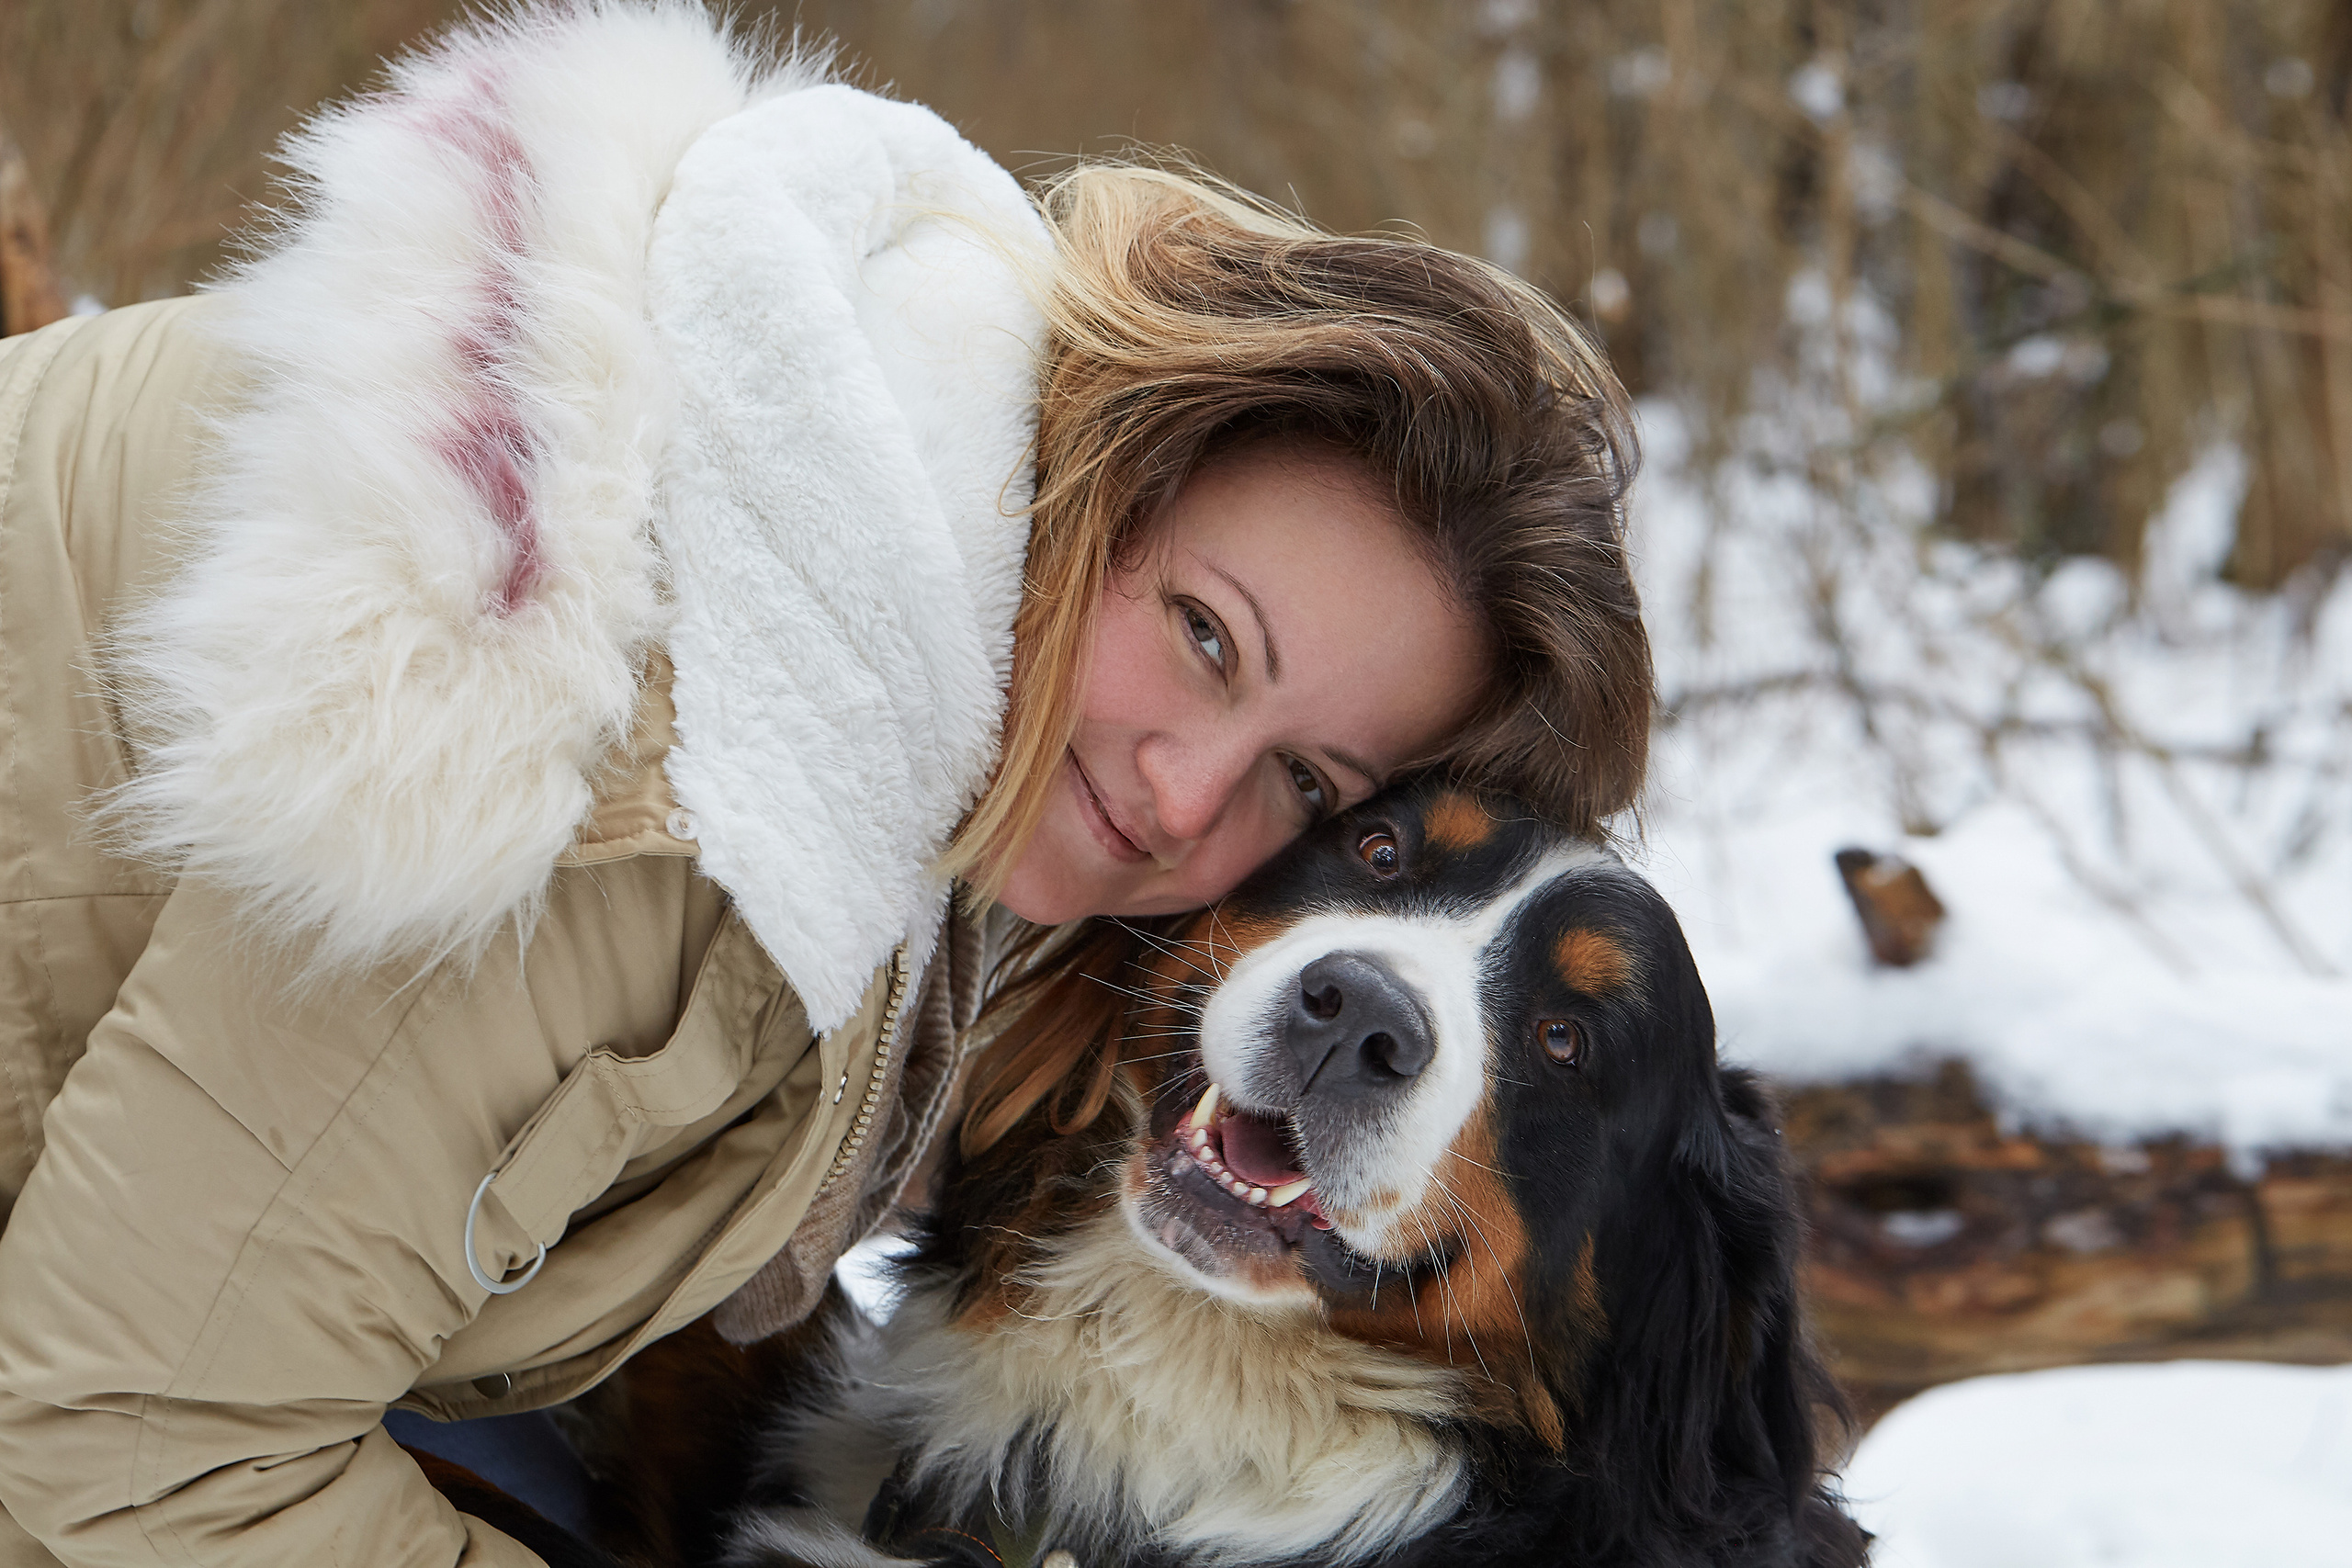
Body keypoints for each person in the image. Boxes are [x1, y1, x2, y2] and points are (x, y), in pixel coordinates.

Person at [0, 5, 1652, 1566]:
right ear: (1115, 466)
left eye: (1303, 776)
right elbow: (126, 1448)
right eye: (1206, 636)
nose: (1181, 793)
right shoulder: (660, 764)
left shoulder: (895, 629)